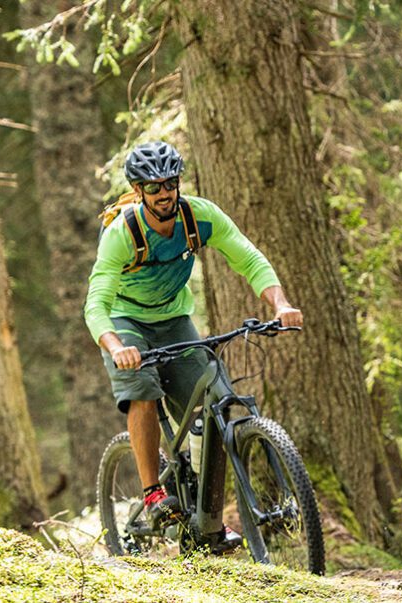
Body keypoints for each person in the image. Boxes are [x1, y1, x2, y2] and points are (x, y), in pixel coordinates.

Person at [85, 141, 302, 552]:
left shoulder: (199, 216)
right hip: (124, 320)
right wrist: (115, 345)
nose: (164, 193)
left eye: (170, 183)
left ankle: (209, 524)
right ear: (138, 191)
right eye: (153, 187)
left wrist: (281, 304)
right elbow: (96, 301)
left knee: (213, 405)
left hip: (173, 318)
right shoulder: (123, 232)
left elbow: (249, 258)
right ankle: (152, 493)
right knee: (142, 393)